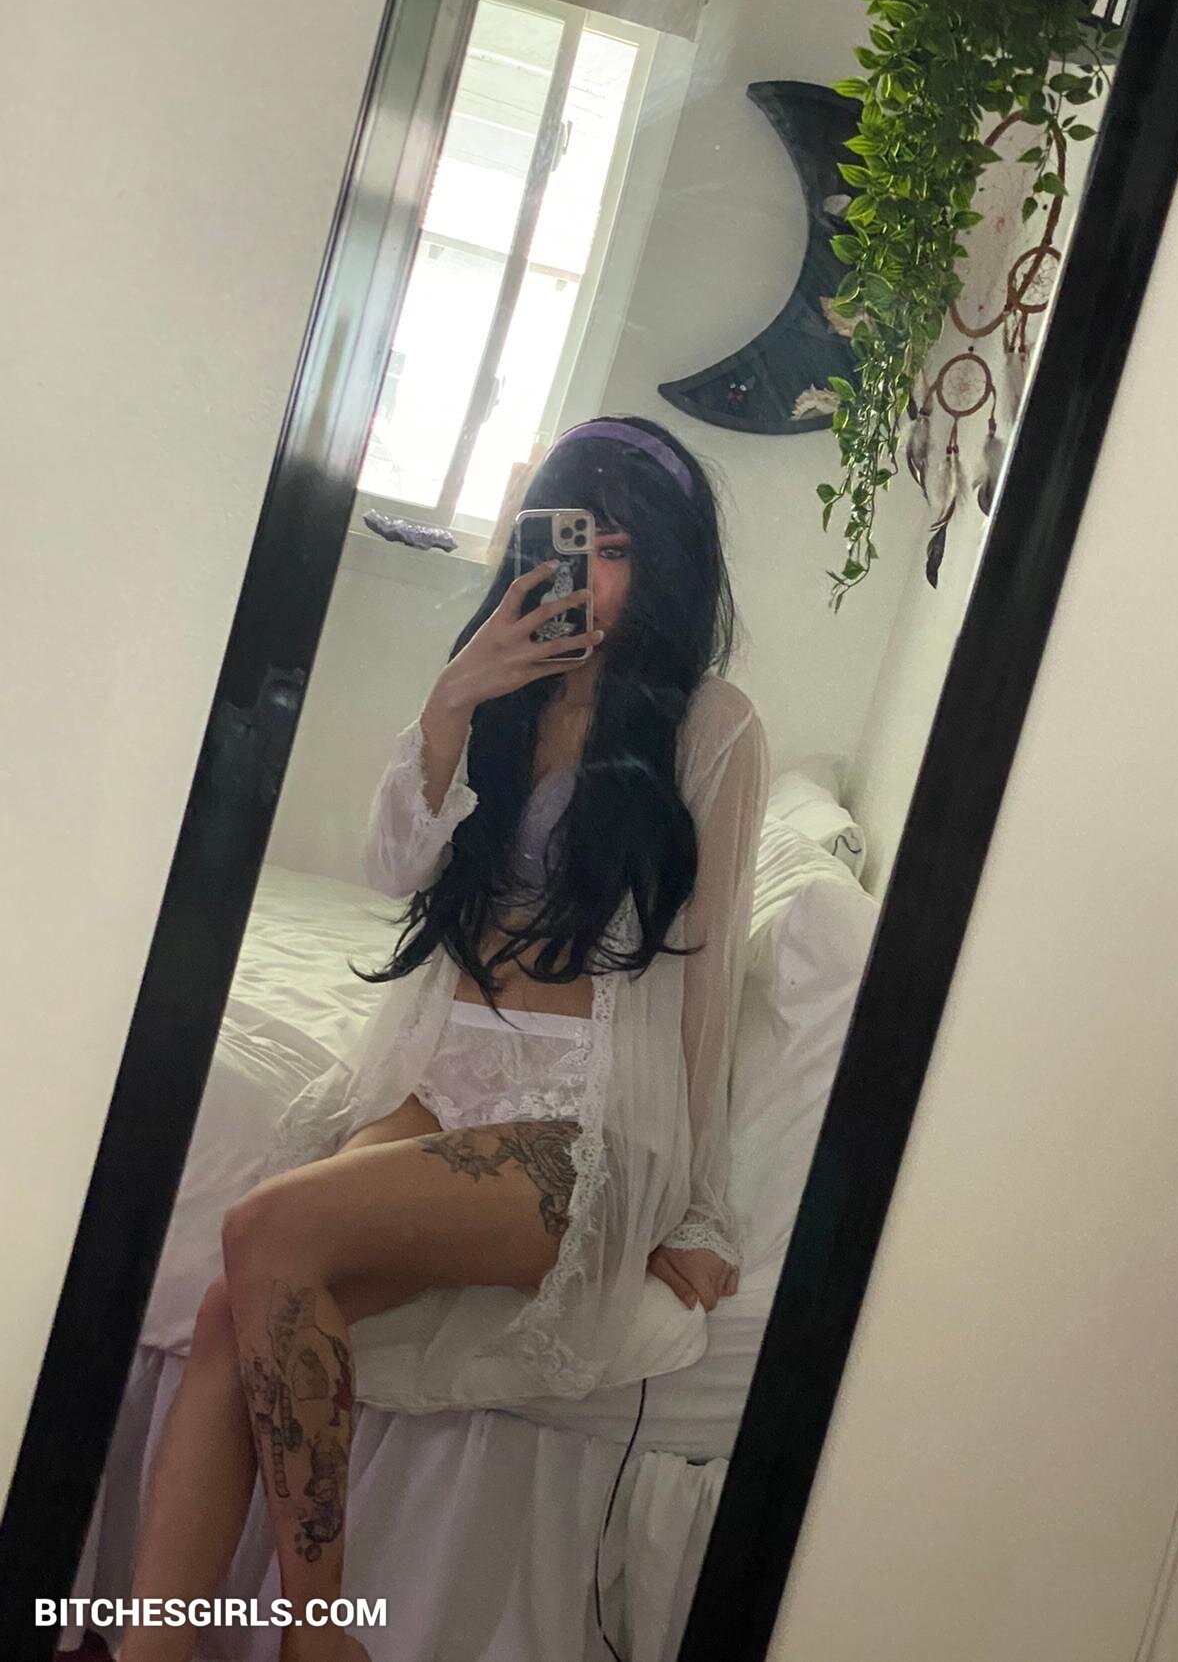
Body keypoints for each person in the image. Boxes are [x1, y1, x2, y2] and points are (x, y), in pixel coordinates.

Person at [117, 416, 768, 1662]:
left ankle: (318, 1637)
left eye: (620, 549)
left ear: (670, 564)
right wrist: (453, 702)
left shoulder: (710, 725)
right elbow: (395, 868)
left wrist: (698, 1210)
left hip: (582, 1119)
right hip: (443, 1073)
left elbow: (707, 979)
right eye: (571, 540)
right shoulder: (494, 692)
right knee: (231, 1310)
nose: (589, 575)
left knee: (263, 1231)